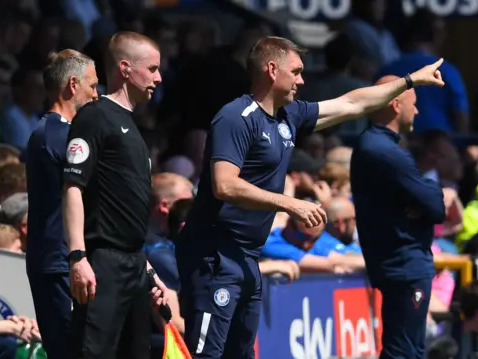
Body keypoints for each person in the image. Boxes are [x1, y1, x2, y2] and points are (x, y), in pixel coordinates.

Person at [175, 36, 445, 358]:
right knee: (206, 354)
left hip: (248, 256)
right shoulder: (236, 117)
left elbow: (352, 103)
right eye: (297, 71)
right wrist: (290, 203)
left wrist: (410, 80)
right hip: (214, 254)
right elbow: (225, 185)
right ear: (272, 70)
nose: (303, 80)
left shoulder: (289, 116)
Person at [62, 32, 169, 359]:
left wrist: (147, 269)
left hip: (134, 264)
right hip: (102, 263)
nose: (158, 77)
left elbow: (124, 210)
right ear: (125, 68)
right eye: (151, 68)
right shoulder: (94, 117)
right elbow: (72, 188)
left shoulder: (134, 126)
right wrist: (78, 257)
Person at [350, 75, 445, 359]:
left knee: (407, 349)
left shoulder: (380, 146)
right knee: (403, 352)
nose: (416, 111)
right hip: (404, 264)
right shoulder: (383, 150)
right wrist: (427, 196)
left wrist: (423, 199)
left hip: (401, 262)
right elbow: (436, 207)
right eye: (413, 104)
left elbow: (427, 202)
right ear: (394, 103)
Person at [25, 49, 98, 359]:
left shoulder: (62, 134)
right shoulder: (53, 135)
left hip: (66, 262)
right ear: (72, 85)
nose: (97, 95)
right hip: (59, 265)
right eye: (92, 86)